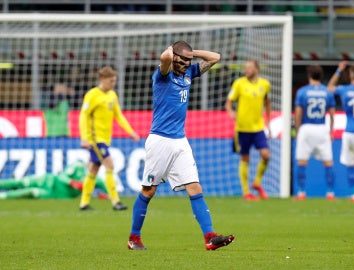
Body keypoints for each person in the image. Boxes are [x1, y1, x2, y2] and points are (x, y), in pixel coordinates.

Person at [127, 41, 234, 251]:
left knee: (195, 187)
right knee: (148, 191)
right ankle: (134, 238)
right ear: (174, 56)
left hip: (180, 141)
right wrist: (171, 51)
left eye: (189, 60)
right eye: (182, 59)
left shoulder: (189, 73)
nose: (186, 63)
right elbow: (164, 59)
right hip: (160, 141)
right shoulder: (163, 76)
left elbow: (215, 57)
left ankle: (210, 237)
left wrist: (190, 53)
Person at [79, 66, 140, 211]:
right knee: (110, 165)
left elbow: (118, 116)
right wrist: (84, 138)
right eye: (110, 81)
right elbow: (83, 116)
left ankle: (84, 203)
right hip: (95, 139)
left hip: (105, 139)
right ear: (102, 79)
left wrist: (130, 132)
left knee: (94, 169)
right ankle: (115, 201)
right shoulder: (92, 95)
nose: (113, 84)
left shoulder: (112, 95)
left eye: (114, 81)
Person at [225, 59, 271, 201]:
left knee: (266, 155)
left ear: (256, 69)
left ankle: (256, 183)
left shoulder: (265, 84)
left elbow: (267, 102)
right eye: (245, 68)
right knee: (245, 158)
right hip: (242, 128)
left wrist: (268, 121)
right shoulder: (239, 83)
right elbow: (228, 102)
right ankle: (246, 192)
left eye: (249, 67)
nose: (247, 70)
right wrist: (231, 112)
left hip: (258, 128)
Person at [294, 65, 336, 200]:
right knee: (328, 162)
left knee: (302, 161)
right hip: (322, 128)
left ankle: (301, 192)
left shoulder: (302, 91)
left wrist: (298, 129)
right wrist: (331, 130)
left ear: (309, 75)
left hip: (307, 127)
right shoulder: (327, 92)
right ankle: (330, 193)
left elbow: (299, 113)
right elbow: (332, 113)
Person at [328, 61, 354, 203]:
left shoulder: (344, 89)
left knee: (350, 164)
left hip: (351, 132)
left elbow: (329, 88)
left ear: (351, 75)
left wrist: (339, 71)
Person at [0, 160, 108, 199]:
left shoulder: (97, 180)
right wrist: (71, 182)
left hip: (56, 195)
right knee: (22, 182)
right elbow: (61, 176)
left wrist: (106, 197)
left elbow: (111, 194)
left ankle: (2, 196)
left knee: (31, 192)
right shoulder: (78, 166)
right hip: (48, 180)